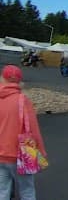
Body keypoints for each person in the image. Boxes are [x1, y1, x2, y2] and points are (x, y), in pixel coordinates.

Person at [0, 65, 47, 200]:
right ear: (19, 81)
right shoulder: (22, 100)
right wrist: (41, 151)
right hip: (20, 154)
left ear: (2, 78)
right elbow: (33, 129)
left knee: (2, 191)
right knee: (26, 190)